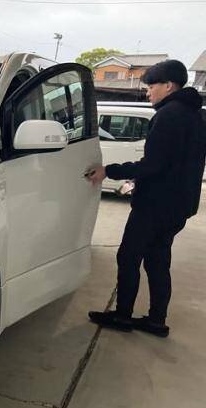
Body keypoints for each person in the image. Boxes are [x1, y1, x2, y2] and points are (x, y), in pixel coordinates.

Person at [86, 59, 206, 338]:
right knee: (157, 260)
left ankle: (123, 315)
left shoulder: (168, 115)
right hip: (179, 206)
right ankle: (156, 321)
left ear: (169, 85)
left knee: (128, 256)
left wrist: (109, 171)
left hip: (155, 205)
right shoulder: (197, 116)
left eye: (152, 86)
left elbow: (153, 165)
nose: (148, 92)